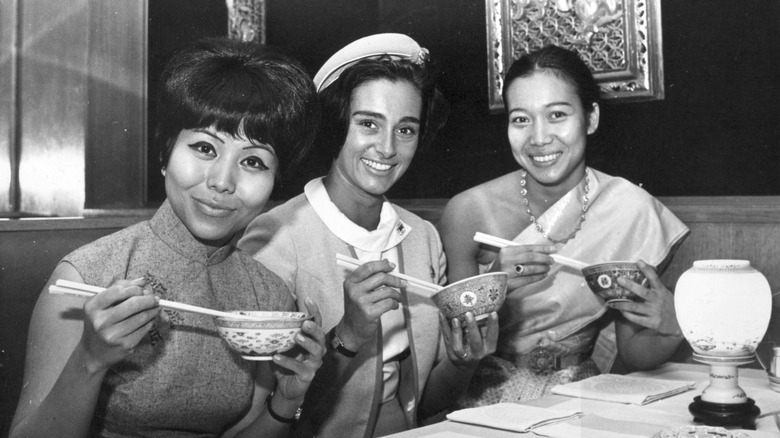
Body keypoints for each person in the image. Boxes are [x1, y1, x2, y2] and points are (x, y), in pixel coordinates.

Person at [10, 37, 325, 438]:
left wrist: (287, 399)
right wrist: (90, 359)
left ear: (274, 182)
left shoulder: (268, 298)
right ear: (164, 154)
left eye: (252, 161)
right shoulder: (84, 276)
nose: (223, 182)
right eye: (204, 148)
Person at [239, 33, 499, 437]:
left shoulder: (423, 238)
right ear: (337, 121)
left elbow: (423, 404)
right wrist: (347, 337)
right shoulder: (274, 239)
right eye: (368, 124)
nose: (387, 148)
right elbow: (272, 411)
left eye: (406, 130)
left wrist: (463, 363)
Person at [439, 45, 690, 405]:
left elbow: (634, 353)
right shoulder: (469, 211)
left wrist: (671, 323)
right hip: (485, 401)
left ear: (590, 119)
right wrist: (493, 284)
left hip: (582, 400)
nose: (539, 138)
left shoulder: (628, 208)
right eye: (521, 119)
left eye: (557, 114)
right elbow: (459, 349)